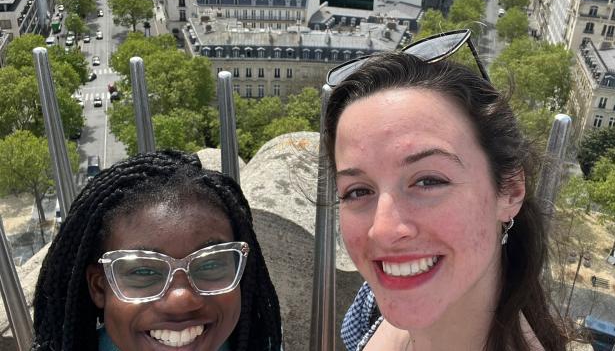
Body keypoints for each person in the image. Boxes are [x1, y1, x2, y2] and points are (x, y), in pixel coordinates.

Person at [323, 31, 566, 351]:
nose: (382, 230)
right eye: (357, 191)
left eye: (428, 181)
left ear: (510, 190)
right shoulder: (373, 306)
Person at [31, 150, 282, 351]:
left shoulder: (262, 344)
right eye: (143, 271)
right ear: (99, 287)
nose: (181, 300)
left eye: (210, 264)